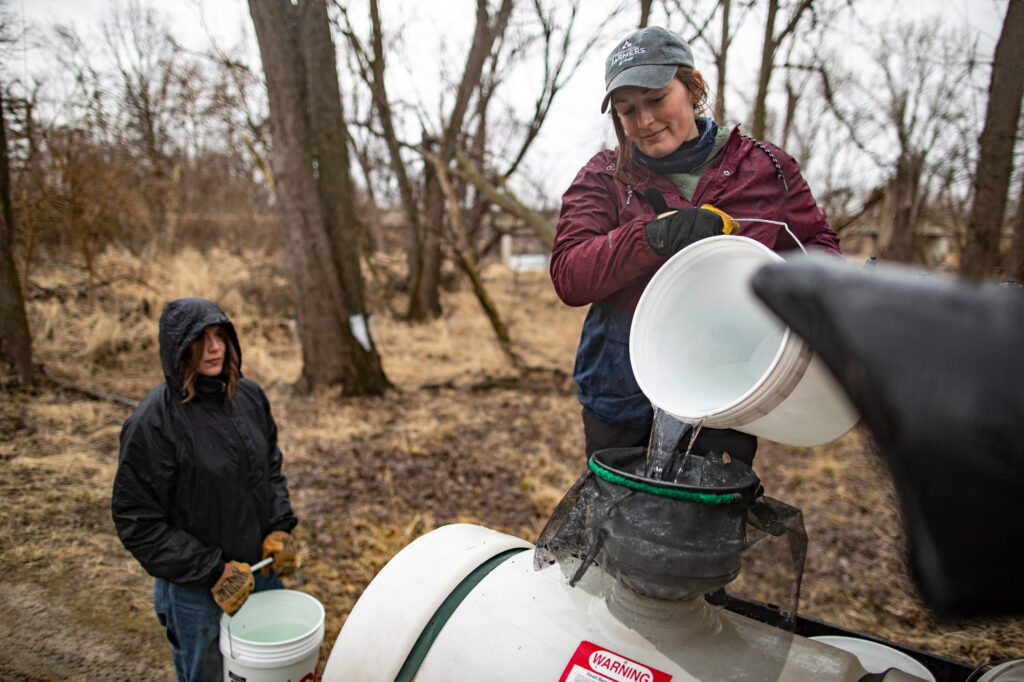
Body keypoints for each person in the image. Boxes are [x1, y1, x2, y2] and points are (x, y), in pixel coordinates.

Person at [550, 26, 841, 464]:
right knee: (615, 516)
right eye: (627, 110)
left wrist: (803, 296)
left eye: (656, 99)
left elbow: (815, 245)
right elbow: (569, 275)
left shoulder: (765, 167)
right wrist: (652, 236)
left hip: (725, 381)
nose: (644, 122)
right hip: (618, 386)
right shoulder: (605, 176)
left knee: (705, 516)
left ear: (694, 87)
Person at [111, 297, 298, 682]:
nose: (214, 348)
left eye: (220, 336)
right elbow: (138, 522)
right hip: (198, 593)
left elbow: (271, 469)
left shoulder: (247, 397)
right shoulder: (153, 423)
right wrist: (213, 571)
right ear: (177, 346)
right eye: (200, 339)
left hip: (260, 574)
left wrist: (280, 527)